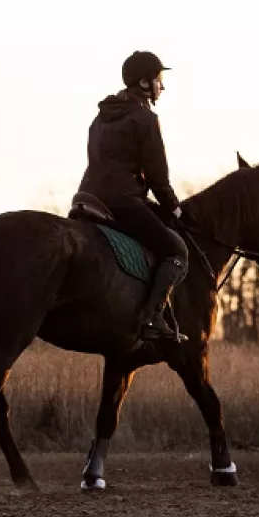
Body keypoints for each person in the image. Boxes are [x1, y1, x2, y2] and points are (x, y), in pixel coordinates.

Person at [76, 51, 190, 342]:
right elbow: (157, 178)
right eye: (158, 79)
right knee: (177, 251)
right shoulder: (145, 118)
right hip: (122, 201)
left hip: (87, 197)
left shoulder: (99, 118)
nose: (162, 86)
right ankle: (153, 319)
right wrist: (175, 209)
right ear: (143, 82)